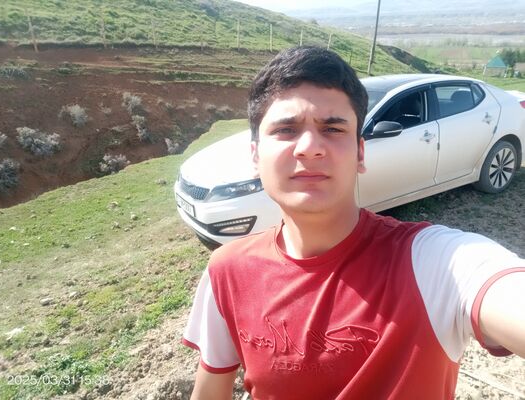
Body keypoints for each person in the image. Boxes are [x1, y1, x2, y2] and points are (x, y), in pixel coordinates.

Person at [182, 46, 525, 399]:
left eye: (332, 128)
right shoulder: (227, 272)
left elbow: (497, 286)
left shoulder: (432, 263)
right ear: (255, 156)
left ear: (360, 153)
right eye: (286, 129)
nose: (309, 147)